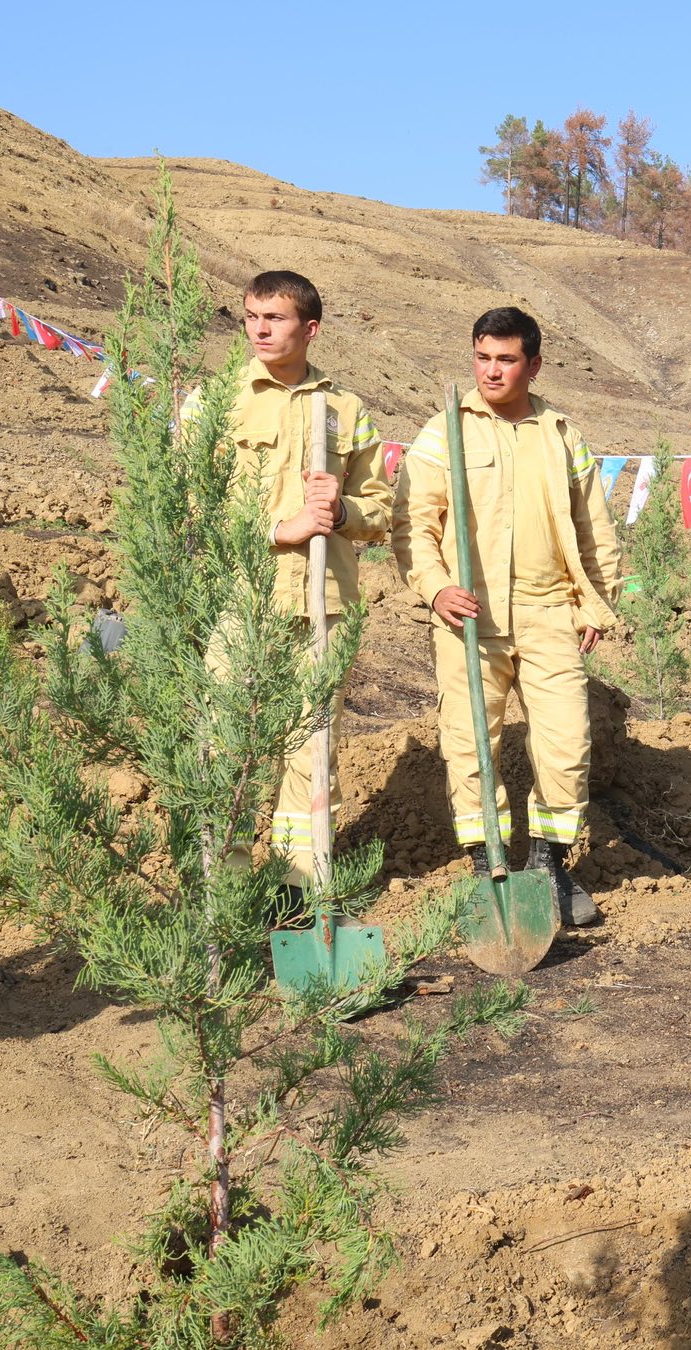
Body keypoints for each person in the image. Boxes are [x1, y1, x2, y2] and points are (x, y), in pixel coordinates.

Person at [391, 307, 620, 926]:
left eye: (506, 359)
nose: (492, 371)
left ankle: (547, 868)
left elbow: (593, 525)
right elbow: (413, 524)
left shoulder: (560, 433)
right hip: (469, 616)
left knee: (566, 743)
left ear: (533, 364)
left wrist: (596, 601)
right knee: (470, 746)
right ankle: (487, 870)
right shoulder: (446, 432)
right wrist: (437, 589)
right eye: (482, 357)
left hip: (550, 610)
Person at [185, 270, 391, 922]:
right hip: (243, 601)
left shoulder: (345, 410)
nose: (260, 330)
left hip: (324, 603)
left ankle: (296, 891)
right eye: (252, 317)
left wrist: (342, 510)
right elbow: (192, 507)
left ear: (310, 329)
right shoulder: (214, 405)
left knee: (313, 748)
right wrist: (283, 528)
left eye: (274, 318)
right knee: (236, 747)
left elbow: (383, 509)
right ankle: (229, 899)